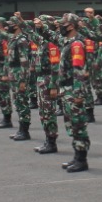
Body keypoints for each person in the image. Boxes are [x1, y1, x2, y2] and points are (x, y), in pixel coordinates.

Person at [58, 13, 93, 172]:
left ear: (71, 26)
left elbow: (79, 70)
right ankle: (76, 156)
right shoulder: (69, 43)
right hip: (67, 90)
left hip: (74, 90)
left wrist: (78, 94)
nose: (60, 26)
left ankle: (82, 160)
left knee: (78, 124)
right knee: (71, 124)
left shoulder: (77, 44)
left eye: (63, 23)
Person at [30, 16, 63, 154]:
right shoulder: (43, 41)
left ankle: (51, 142)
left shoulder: (52, 44)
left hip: (49, 79)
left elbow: (55, 65)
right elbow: (28, 33)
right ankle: (47, 140)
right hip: (41, 79)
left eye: (41, 25)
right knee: (43, 112)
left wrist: (54, 85)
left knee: (49, 112)